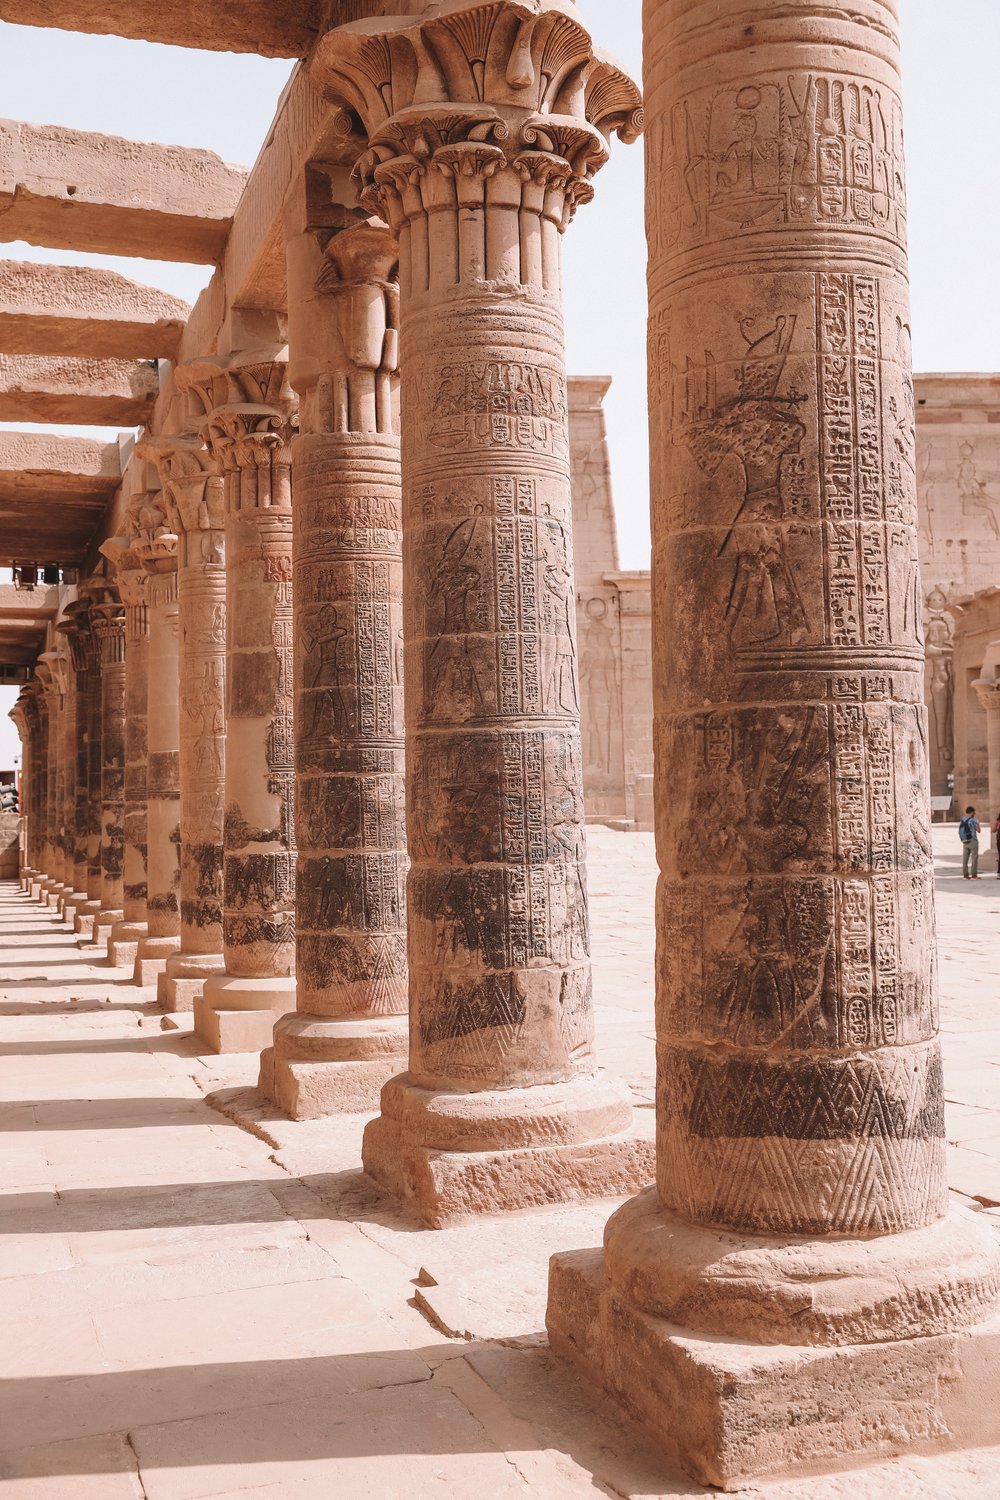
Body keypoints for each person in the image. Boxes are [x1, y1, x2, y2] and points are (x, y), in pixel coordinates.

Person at [959, 806, 982, 879]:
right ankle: (974, 875)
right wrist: (977, 824)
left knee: (965, 859)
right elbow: (978, 830)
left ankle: (965, 875)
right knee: (974, 858)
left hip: (965, 840)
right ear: (972, 812)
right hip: (973, 840)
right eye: (974, 812)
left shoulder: (962, 820)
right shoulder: (974, 820)